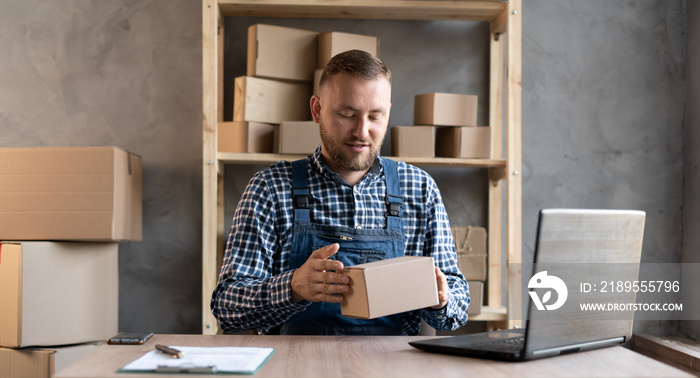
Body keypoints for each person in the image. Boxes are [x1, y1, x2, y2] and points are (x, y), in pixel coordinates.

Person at [211, 49, 470, 335]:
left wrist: (442, 301)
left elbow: (457, 310)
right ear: (317, 110)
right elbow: (227, 309)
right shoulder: (270, 189)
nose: (362, 131)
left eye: (375, 116)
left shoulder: (419, 189)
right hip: (294, 367)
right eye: (347, 114)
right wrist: (293, 287)